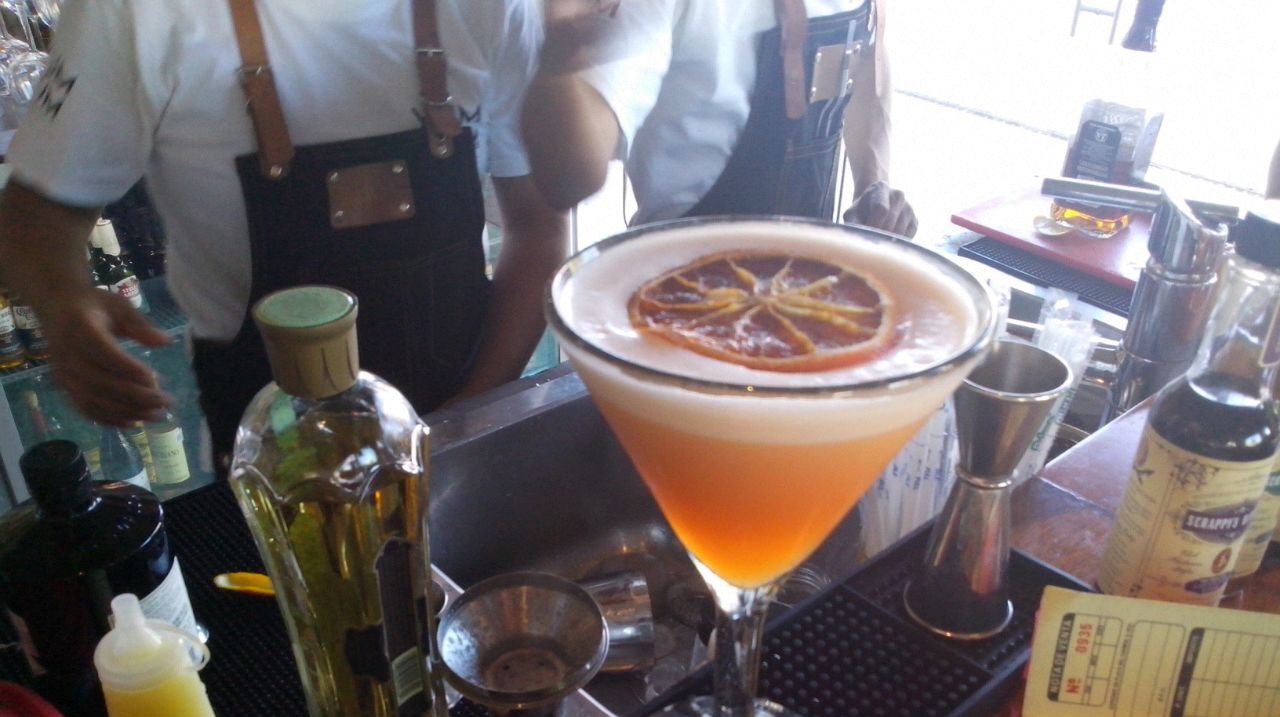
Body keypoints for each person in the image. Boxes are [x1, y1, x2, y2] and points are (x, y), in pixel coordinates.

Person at [0, 0, 567, 473]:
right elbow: (33, 214)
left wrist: (462, 423)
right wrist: (62, 303)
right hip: (274, 462)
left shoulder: (496, 7)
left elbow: (539, 227)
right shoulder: (135, 11)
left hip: (462, 419)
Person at [522, 0, 917, 237]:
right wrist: (560, 58)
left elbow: (867, 56)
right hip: (681, 296)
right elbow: (568, 180)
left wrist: (872, 183)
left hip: (809, 287)